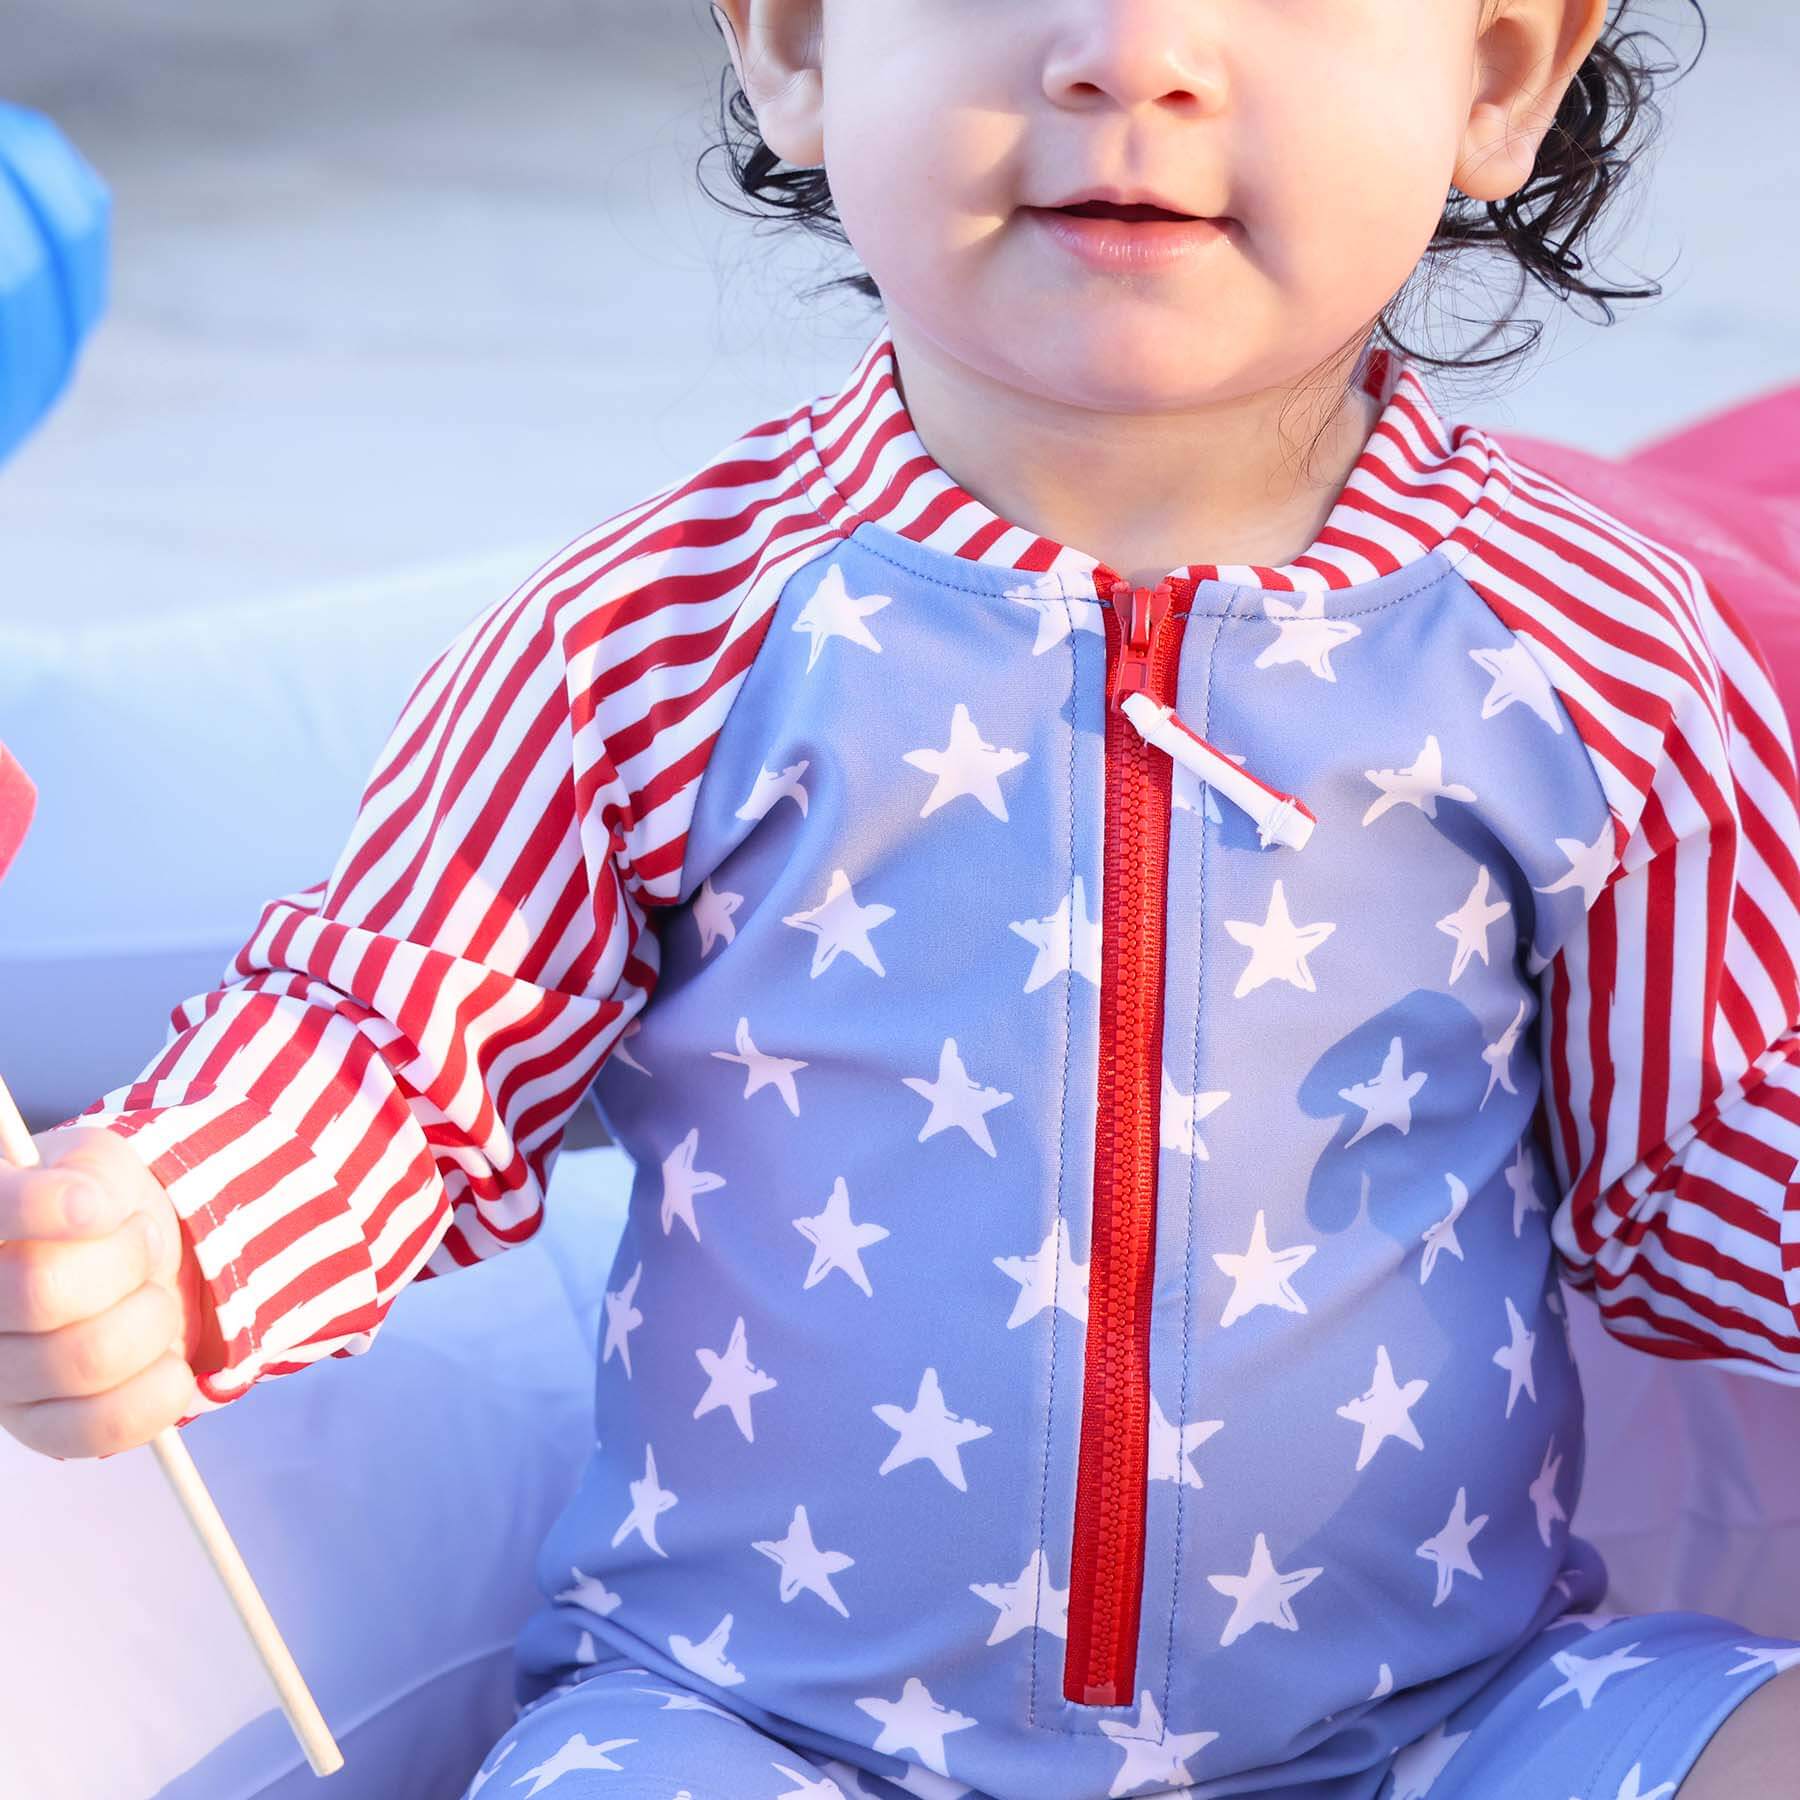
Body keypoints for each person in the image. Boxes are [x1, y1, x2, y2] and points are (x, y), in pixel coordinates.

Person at [3, 2, 1797, 1795]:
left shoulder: (1594, 656)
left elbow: (1712, 1130)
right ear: (796, 44)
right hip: (760, 1727)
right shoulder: (655, 637)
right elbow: (395, 1050)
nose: (1134, 55)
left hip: (1451, 1725)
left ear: (1499, 73)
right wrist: (174, 1232)